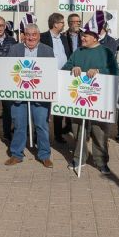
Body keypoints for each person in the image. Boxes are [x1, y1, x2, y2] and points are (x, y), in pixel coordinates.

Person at [62, 11, 119, 174]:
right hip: (78, 98)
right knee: (78, 129)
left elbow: (115, 71)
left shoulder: (106, 52)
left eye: (85, 36)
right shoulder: (78, 52)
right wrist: (72, 68)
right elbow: (65, 68)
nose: (82, 38)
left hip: (99, 100)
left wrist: (100, 71)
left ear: (95, 37)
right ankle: (79, 158)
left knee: (99, 131)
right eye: (82, 36)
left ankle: (101, 161)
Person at [4, 23, 55, 168]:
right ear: (23, 36)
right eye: (28, 34)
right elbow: (8, 70)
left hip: (40, 96)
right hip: (19, 96)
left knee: (41, 126)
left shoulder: (48, 50)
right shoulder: (15, 49)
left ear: (39, 36)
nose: (31, 37)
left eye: (34, 35)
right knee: (19, 125)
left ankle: (44, 155)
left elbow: (50, 73)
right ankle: (16, 154)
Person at [40, 13, 72, 144]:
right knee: (45, 107)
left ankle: (58, 134)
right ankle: (41, 135)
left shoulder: (64, 38)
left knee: (59, 106)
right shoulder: (43, 37)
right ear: (55, 24)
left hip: (63, 77)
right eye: (62, 23)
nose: (64, 25)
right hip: (48, 77)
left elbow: (68, 54)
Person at [0, 15, 17, 143]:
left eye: (2, 25)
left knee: (7, 108)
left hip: (8, 78)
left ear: (5, 26)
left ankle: (7, 132)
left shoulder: (12, 41)